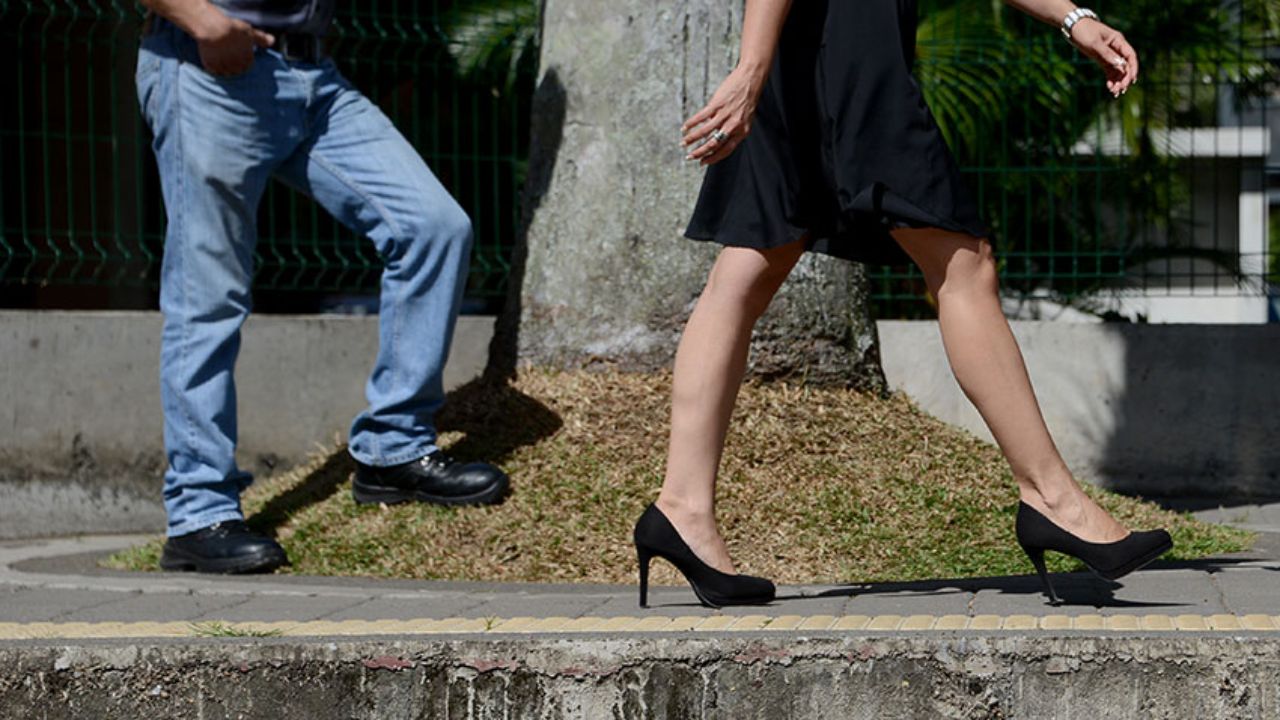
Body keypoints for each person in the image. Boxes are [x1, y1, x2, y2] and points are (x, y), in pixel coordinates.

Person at [633, 0, 1172, 608]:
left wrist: (1073, 18)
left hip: (808, 48)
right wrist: (752, 66)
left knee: (751, 266)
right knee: (963, 264)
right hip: (844, 51)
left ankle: (681, 508)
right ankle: (1052, 499)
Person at [136, 0, 510, 574]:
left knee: (433, 227)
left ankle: (393, 447)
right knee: (208, 298)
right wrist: (201, 20)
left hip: (313, 78)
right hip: (210, 68)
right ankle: (198, 514)